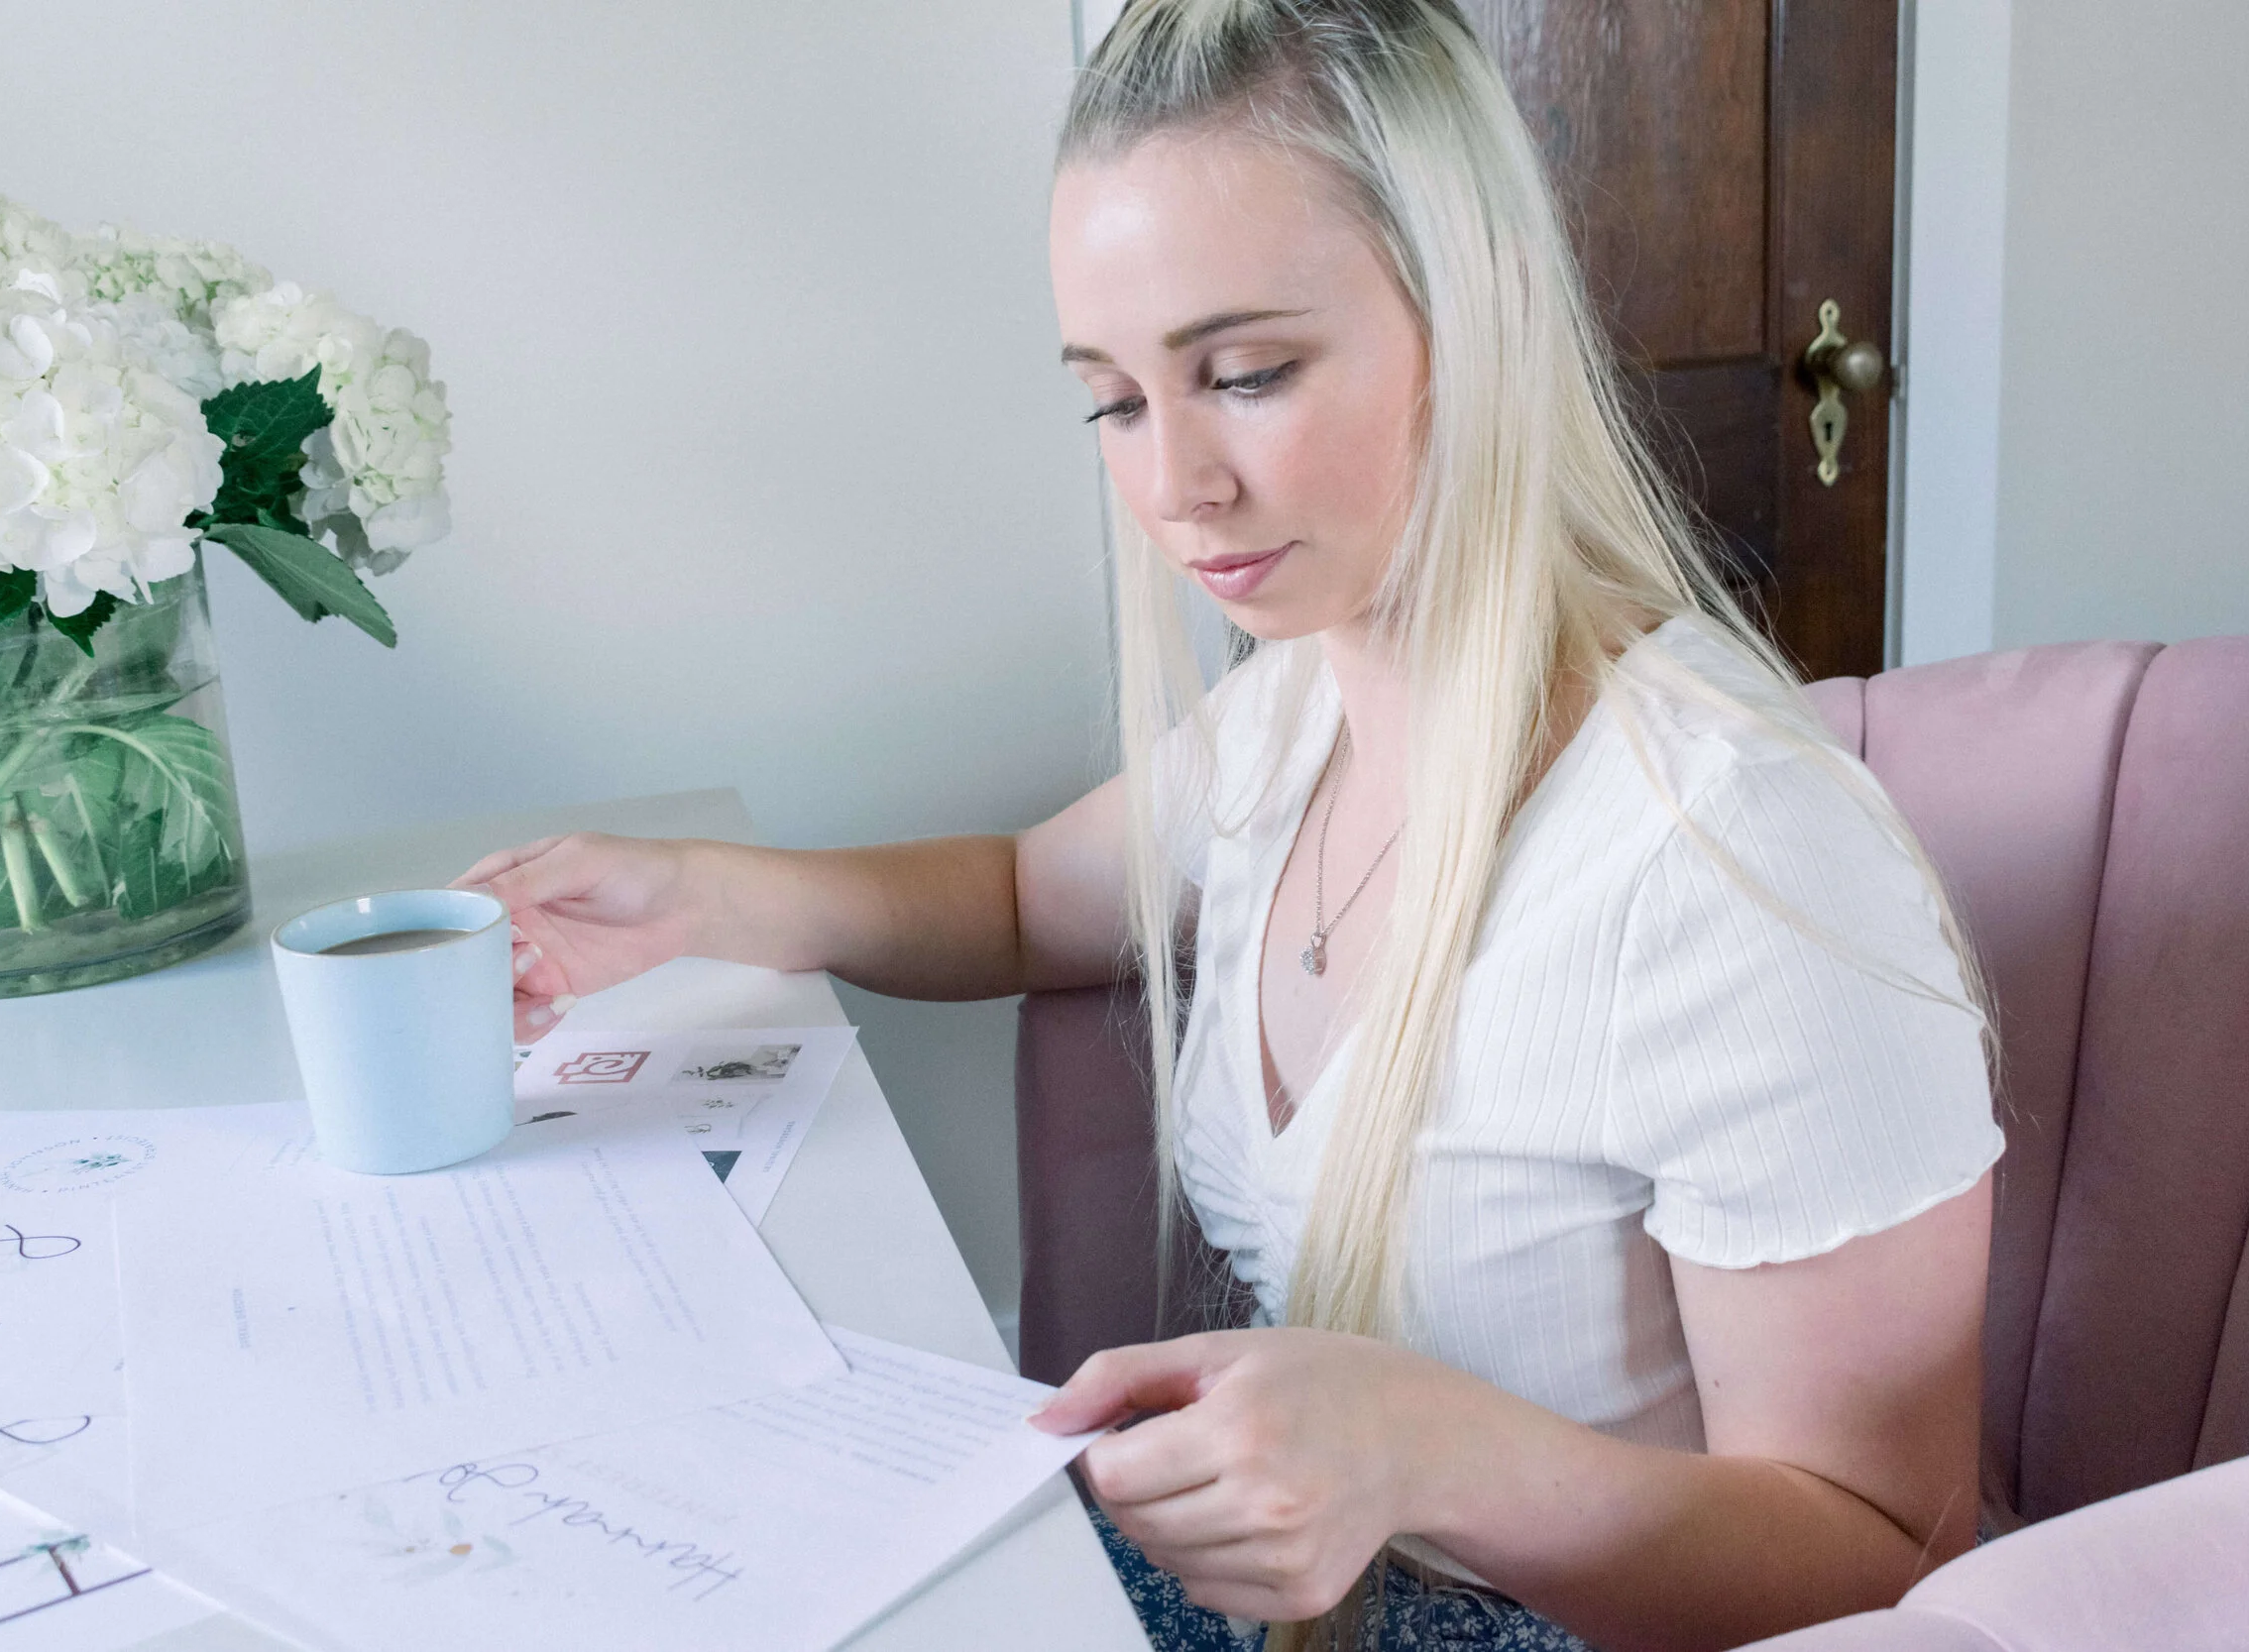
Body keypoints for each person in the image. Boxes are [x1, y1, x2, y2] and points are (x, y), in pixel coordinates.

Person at [457, 3, 2003, 1647]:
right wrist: (695, 894)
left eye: (1247, 374)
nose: (1173, 483)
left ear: (1474, 318)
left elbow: (1885, 1552)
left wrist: (1430, 1449)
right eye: (1113, 402)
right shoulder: (1296, 705)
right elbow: (1020, 897)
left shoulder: (1735, 862)